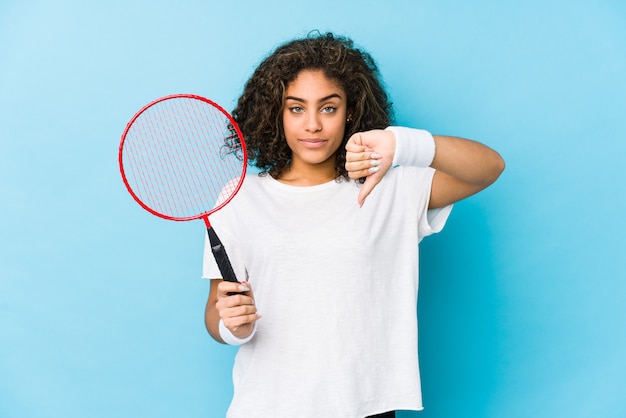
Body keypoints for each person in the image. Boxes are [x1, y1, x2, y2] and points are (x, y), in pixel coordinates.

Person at [202, 32, 504, 418]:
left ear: (351, 111)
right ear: (276, 113)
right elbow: (216, 311)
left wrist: (401, 144)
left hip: (364, 407)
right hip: (267, 405)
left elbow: (489, 168)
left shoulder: (390, 189)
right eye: (296, 108)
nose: (312, 124)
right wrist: (232, 327)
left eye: (328, 108)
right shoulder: (238, 197)